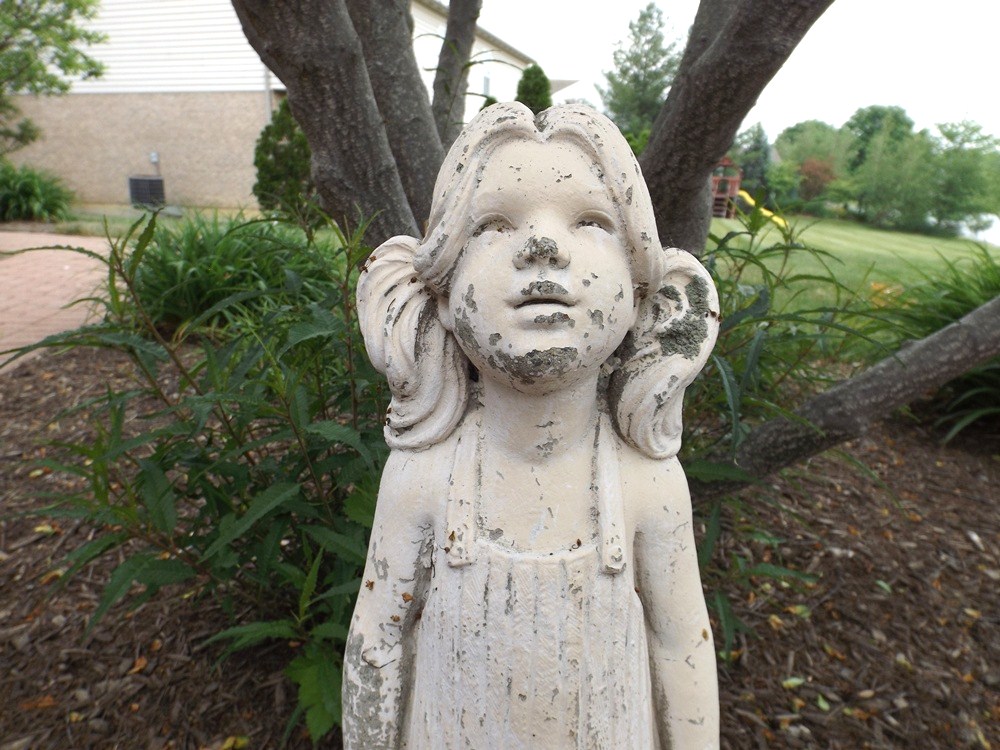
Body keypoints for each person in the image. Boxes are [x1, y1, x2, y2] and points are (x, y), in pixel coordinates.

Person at [344, 102, 720, 749]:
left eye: (590, 221)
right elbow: (377, 644)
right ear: (438, 291)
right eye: (494, 224)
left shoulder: (648, 486)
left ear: (640, 294)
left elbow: (680, 643)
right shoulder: (421, 476)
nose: (542, 246)